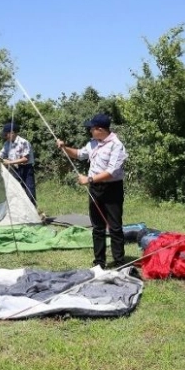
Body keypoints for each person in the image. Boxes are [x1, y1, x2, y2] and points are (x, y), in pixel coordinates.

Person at [56, 113, 128, 268]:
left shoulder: (117, 145)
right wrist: (64, 148)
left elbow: (111, 172)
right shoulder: (93, 143)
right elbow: (79, 154)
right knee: (97, 227)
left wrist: (88, 180)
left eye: (92, 129)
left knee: (115, 227)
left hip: (112, 189)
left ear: (100, 129)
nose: (90, 131)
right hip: (95, 189)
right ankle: (99, 262)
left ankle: (119, 262)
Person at [0, 122, 37, 206]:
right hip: (14, 170)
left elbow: (25, 159)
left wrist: (9, 162)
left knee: (30, 192)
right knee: (15, 192)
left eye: (6, 134)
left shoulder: (23, 142)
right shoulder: (7, 144)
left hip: (26, 169)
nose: (5, 136)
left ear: (12, 133)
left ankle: (35, 213)